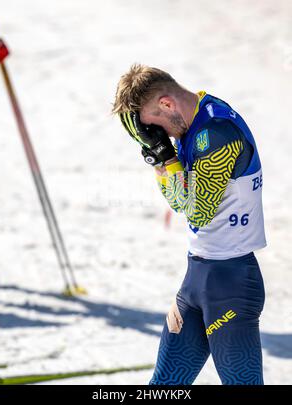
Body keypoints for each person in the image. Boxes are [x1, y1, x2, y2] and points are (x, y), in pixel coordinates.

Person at [112, 64, 267, 385]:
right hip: (197, 279)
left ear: (167, 104)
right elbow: (178, 199)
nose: (160, 135)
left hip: (231, 285)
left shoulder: (217, 133)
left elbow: (196, 210)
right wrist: (157, 157)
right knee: (163, 386)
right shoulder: (191, 121)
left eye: (154, 126)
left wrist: (166, 158)